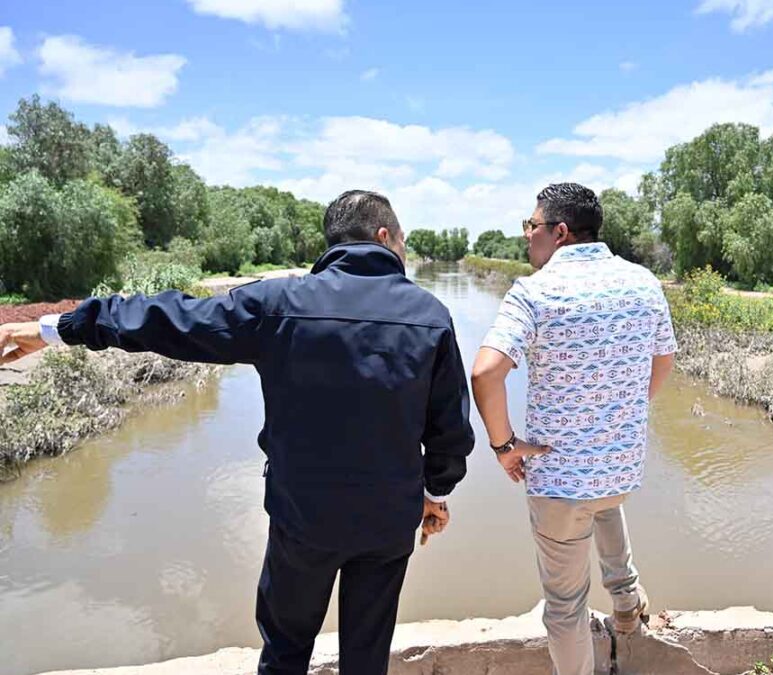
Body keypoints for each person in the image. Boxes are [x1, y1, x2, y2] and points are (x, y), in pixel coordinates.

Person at [0, 190, 475, 675]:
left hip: (302, 517)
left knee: (286, 651)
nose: (404, 250)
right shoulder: (429, 316)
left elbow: (170, 319)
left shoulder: (277, 304)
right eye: (403, 241)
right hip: (386, 519)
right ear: (383, 237)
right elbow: (450, 432)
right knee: (367, 655)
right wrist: (435, 492)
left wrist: (55, 329)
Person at [471, 183, 677, 675]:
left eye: (532, 226)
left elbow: (485, 371)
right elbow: (664, 358)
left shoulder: (535, 291)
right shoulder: (643, 282)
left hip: (560, 482)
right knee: (603, 504)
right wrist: (626, 408)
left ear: (559, 232)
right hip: (619, 469)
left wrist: (504, 446)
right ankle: (627, 607)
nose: (527, 237)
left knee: (565, 606)